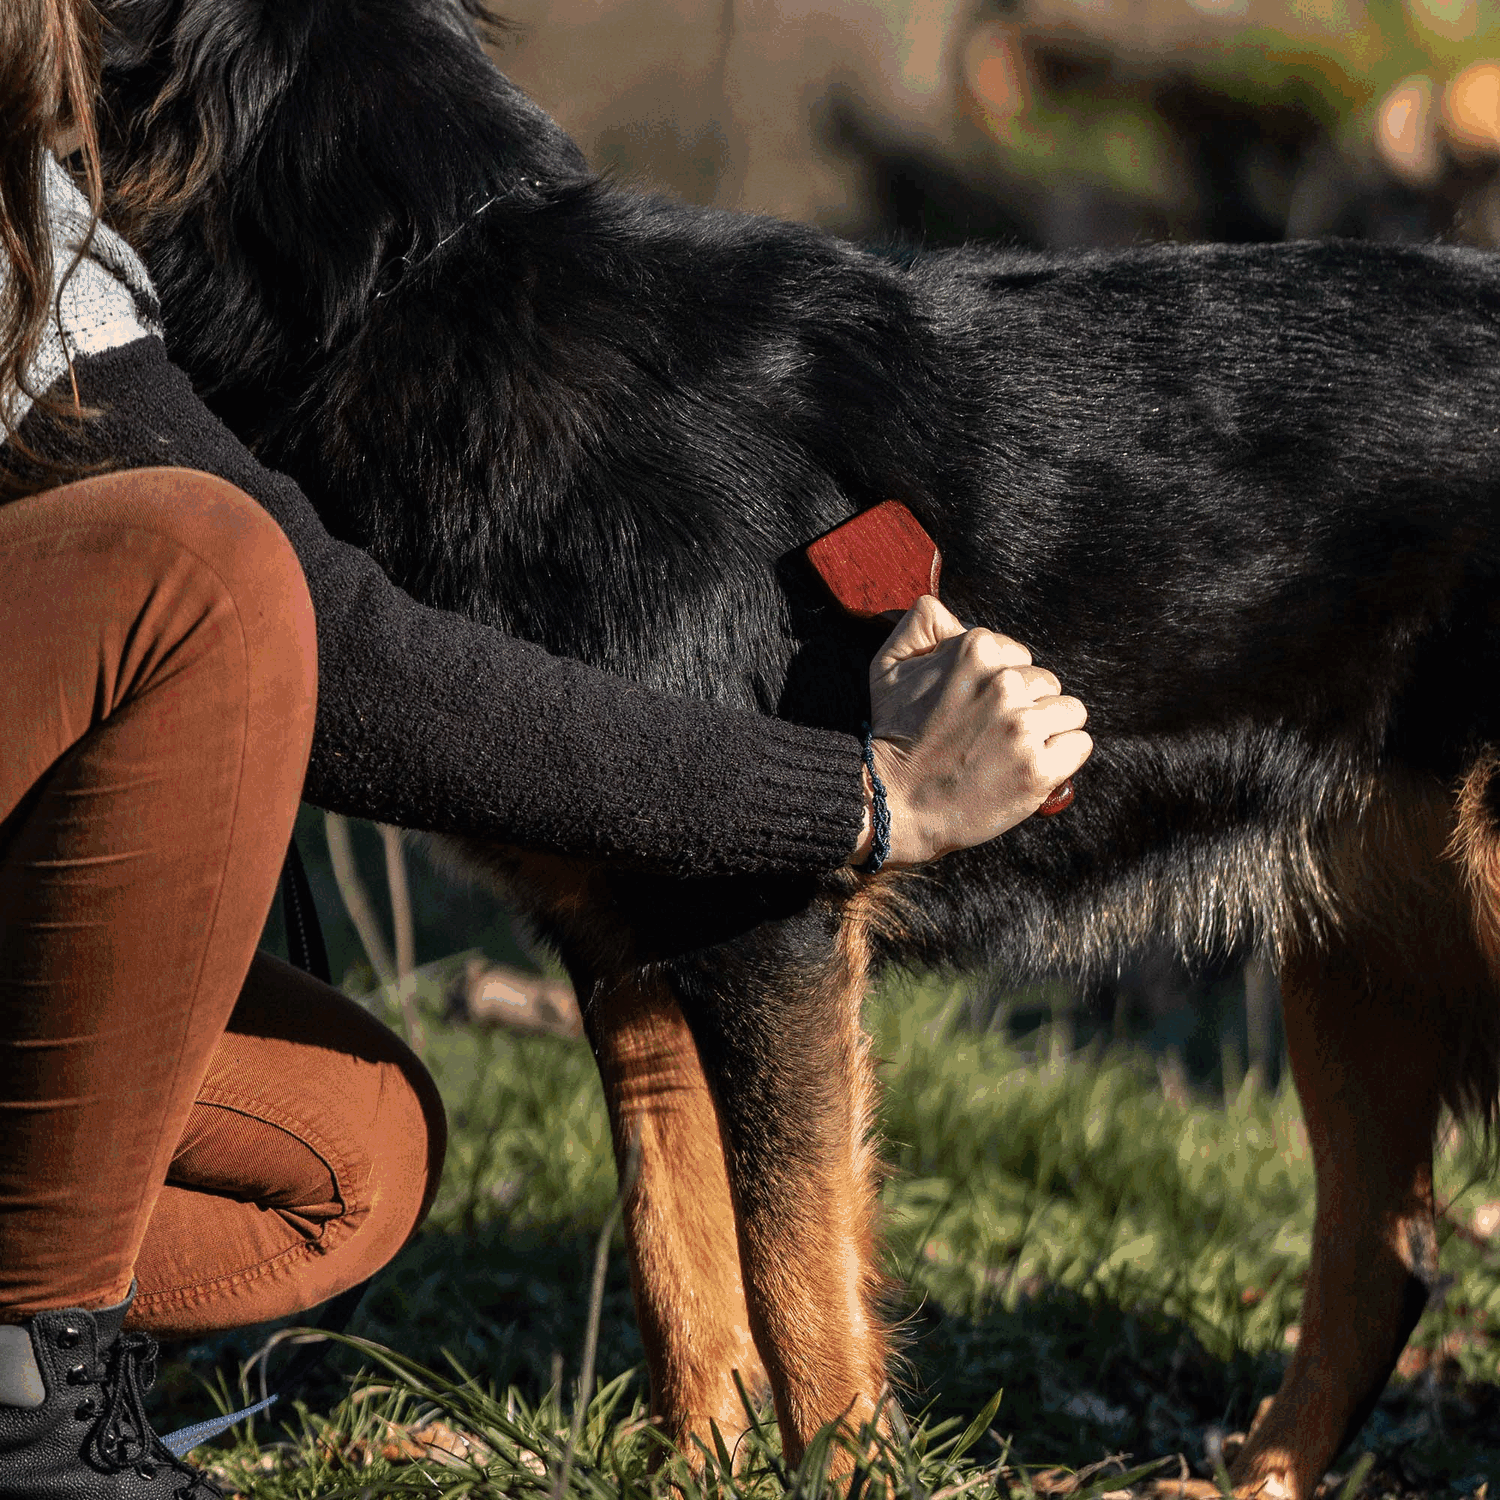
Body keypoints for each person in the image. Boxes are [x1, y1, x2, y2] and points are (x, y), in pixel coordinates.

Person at [0, 1, 1092, 1494]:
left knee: (348, 1165)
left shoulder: (43, 234)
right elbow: (345, 657)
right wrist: (858, 804)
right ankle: (33, 1430)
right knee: (203, 566)